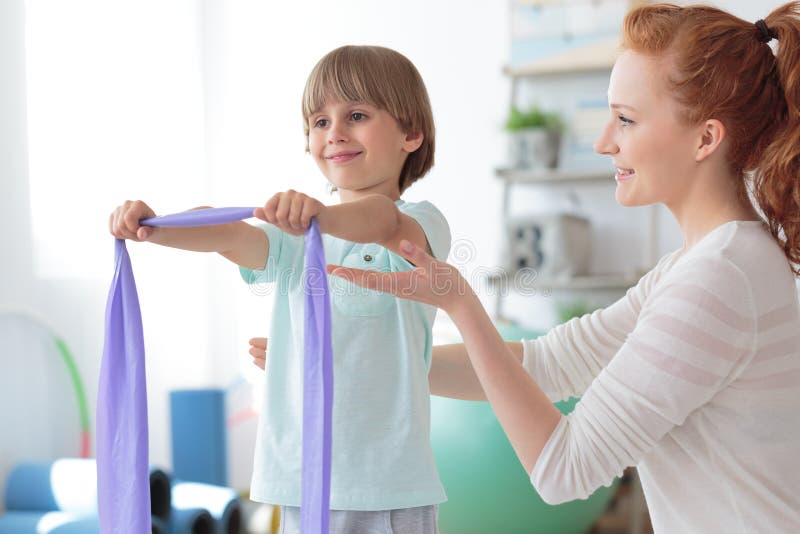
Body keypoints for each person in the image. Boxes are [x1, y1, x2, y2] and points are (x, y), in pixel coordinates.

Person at [318, 4, 800, 532]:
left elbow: (563, 470)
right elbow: (552, 362)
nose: (603, 142)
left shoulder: (720, 279)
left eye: (626, 119)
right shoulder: (702, 265)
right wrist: (359, 363)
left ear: (705, 139)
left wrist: (461, 303)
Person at [110, 45, 451, 534]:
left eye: (356, 114)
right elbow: (231, 233)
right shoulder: (298, 240)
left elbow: (383, 219)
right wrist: (153, 226)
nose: (334, 132)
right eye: (319, 121)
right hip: (301, 479)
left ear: (411, 134)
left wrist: (322, 217)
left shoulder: (422, 223)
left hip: (387, 487)